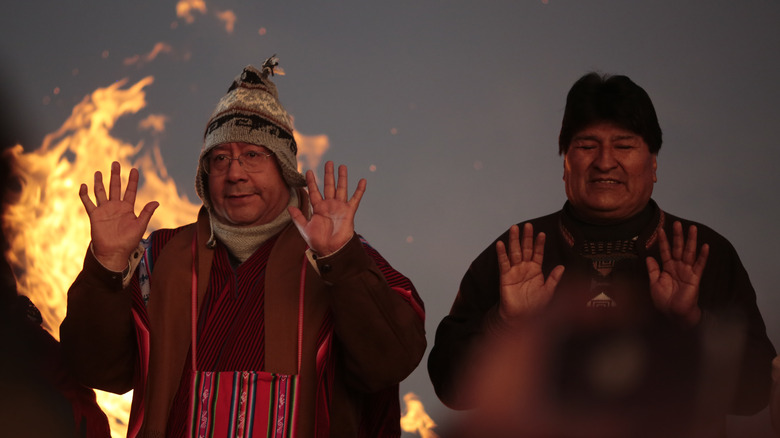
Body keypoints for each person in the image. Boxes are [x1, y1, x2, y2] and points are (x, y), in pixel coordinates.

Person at [60, 56, 426, 437]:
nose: (234, 173)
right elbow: (99, 371)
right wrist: (108, 267)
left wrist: (343, 264)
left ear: (285, 169)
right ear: (205, 176)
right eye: (220, 159)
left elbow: (391, 363)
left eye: (253, 155)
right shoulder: (159, 256)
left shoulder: (338, 252)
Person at [427, 72, 776, 437]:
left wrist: (693, 321)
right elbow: (452, 391)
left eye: (624, 146)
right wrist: (505, 323)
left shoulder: (702, 251)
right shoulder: (516, 252)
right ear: (564, 162)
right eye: (587, 145)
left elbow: (754, 395)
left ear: (653, 163)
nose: (605, 161)